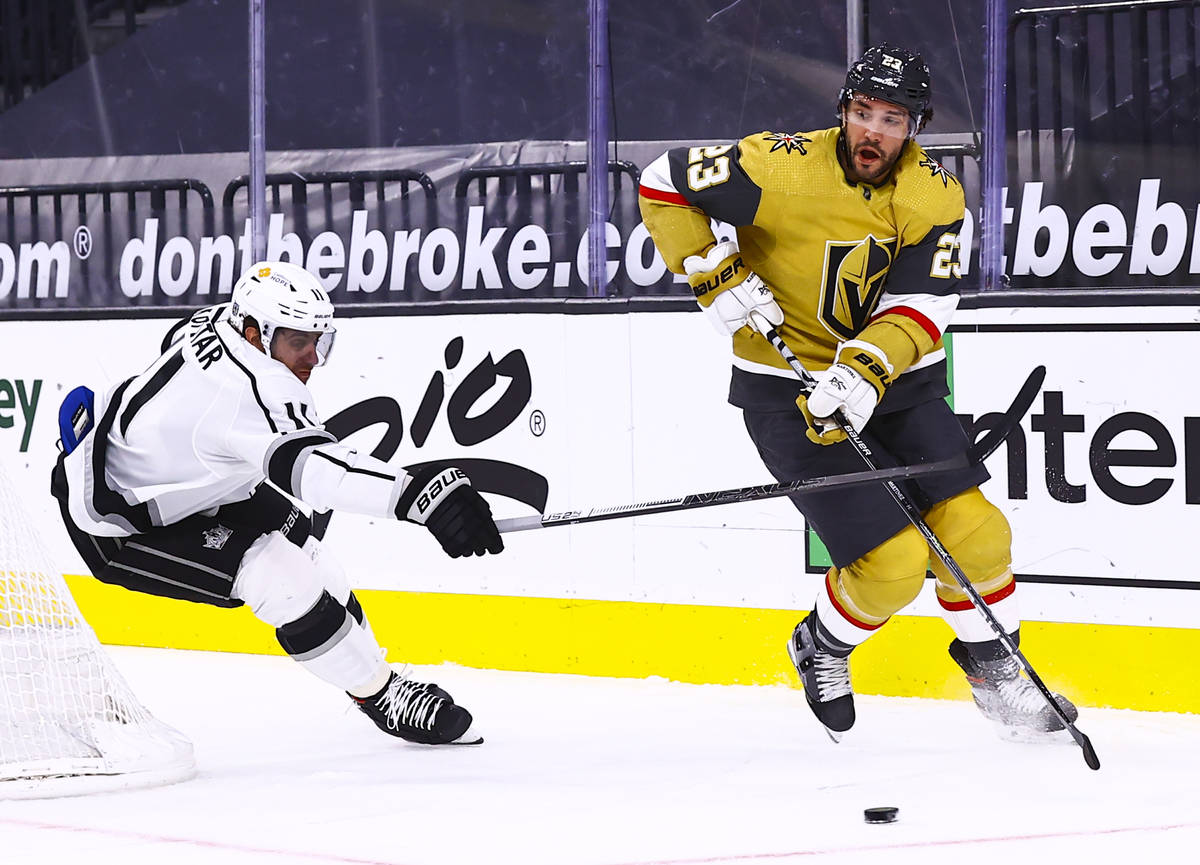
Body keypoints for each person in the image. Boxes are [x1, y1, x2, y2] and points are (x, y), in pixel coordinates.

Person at [638, 44, 1077, 741]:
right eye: (862, 112)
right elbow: (662, 181)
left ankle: (996, 673)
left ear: (916, 127)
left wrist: (864, 369)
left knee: (979, 534)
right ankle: (821, 645)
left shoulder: (934, 194)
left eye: (893, 119)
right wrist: (711, 272)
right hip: (787, 393)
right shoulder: (776, 166)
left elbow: (923, 303)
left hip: (898, 388)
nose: (873, 131)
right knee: (894, 566)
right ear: (842, 111)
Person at [51, 260, 504, 746]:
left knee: (312, 554)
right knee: (281, 576)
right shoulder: (253, 389)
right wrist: (420, 495)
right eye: (297, 342)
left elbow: (176, 340)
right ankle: (379, 694)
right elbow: (319, 473)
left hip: (199, 486)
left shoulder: (217, 320)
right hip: (120, 523)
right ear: (254, 334)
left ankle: (378, 678)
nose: (311, 357)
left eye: (318, 341)